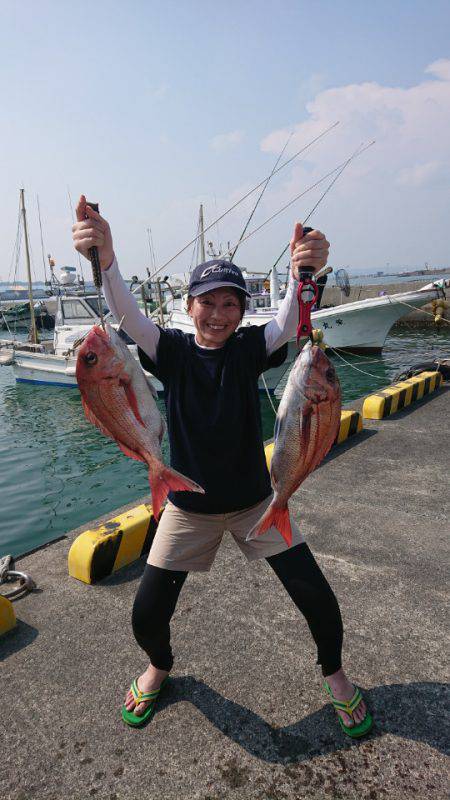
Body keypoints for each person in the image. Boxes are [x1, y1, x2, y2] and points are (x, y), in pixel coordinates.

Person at [73, 196, 373, 737]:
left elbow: (289, 318)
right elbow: (125, 313)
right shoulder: (169, 352)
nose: (217, 313)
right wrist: (108, 255)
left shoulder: (250, 350)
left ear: (240, 311)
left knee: (319, 601)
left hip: (259, 501)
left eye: (229, 303)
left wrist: (306, 269)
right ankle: (158, 666)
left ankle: (337, 676)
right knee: (145, 614)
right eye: (206, 302)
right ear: (188, 307)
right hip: (187, 506)